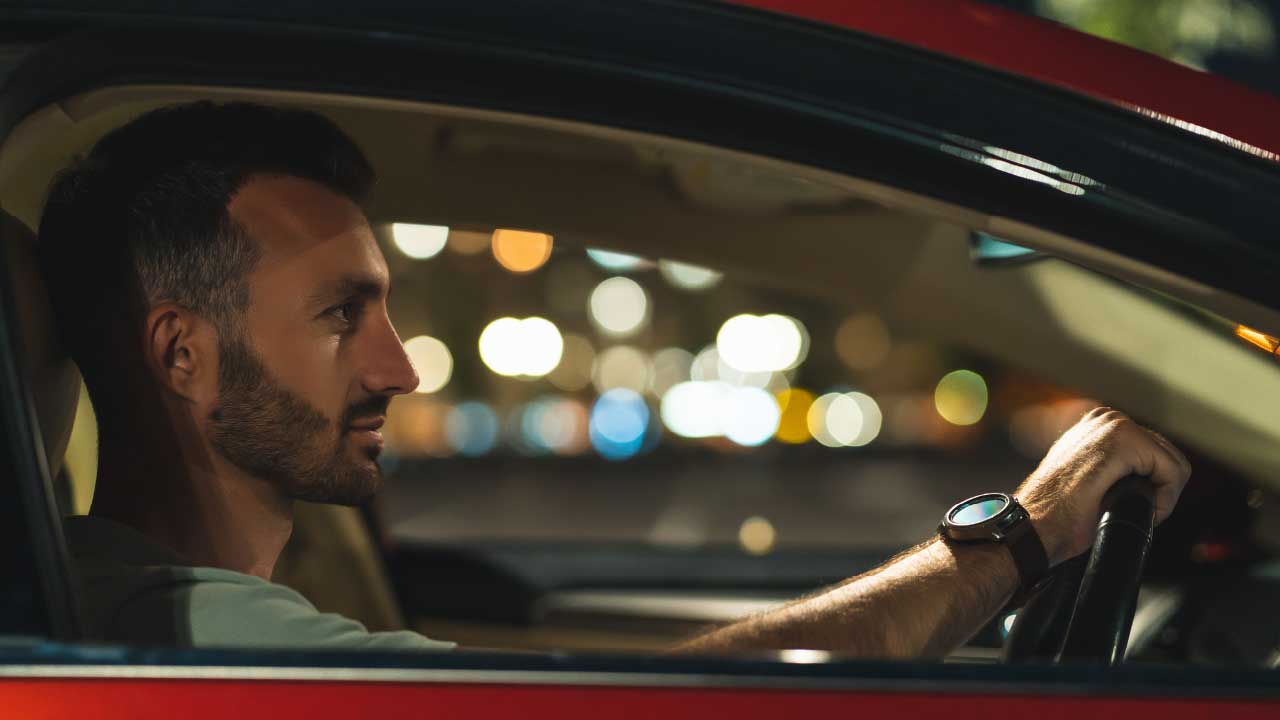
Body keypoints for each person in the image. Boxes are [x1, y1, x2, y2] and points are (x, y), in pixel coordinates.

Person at [39, 101, 1191, 655]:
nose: (397, 364)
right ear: (182, 354)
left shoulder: (133, 603)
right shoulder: (178, 632)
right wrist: (1023, 532)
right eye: (344, 316)